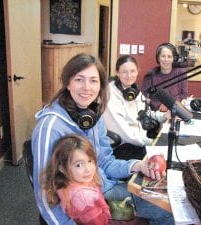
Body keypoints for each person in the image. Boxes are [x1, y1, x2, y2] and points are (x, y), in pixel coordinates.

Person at [31, 53, 174, 225]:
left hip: (104, 187)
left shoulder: (93, 116)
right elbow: (44, 194)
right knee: (167, 210)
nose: (87, 88)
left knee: (169, 201)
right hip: (86, 203)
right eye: (79, 80)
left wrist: (138, 165)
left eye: (93, 80)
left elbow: (106, 161)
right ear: (68, 83)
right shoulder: (50, 127)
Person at [103, 55, 169, 160]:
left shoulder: (134, 90)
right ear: (117, 72)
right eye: (124, 72)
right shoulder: (110, 94)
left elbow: (145, 112)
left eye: (133, 71)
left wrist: (164, 116)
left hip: (139, 141)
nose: (129, 75)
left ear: (138, 71)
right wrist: (151, 143)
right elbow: (124, 132)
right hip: (123, 146)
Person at [40, 134, 111, 225]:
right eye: (78, 165)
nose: (88, 169)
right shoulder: (84, 198)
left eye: (89, 161)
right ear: (62, 168)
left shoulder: (65, 181)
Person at [142, 43, 188, 111]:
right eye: (163, 56)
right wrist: (159, 105)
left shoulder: (181, 73)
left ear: (174, 59)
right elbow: (144, 97)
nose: (166, 60)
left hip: (176, 111)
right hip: (156, 112)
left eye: (169, 56)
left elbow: (184, 94)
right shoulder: (150, 75)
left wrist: (170, 104)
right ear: (158, 58)